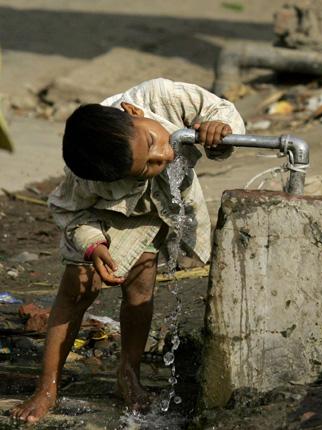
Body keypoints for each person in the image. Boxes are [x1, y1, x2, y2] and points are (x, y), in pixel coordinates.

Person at [10, 78, 245, 423]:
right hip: (108, 213)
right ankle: (47, 388)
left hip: (158, 206)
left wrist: (219, 129)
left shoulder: (163, 96)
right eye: (147, 167)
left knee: (140, 287)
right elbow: (68, 210)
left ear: (133, 112)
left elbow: (223, 110)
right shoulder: (89, 176)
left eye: (152, 142)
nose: (163, 156)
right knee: (77, 287)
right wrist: (92, 245)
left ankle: (128, 373)